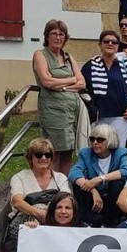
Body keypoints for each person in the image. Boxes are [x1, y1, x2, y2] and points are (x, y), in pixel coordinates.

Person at [32, 19, 85, 175]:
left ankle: (64, 188)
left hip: (71, 114)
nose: (58, 37)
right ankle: (51, 189)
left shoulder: (68, 56)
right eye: (54, 33)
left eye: (61, 34)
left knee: (68, 152)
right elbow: (47, 81)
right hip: (53, 113)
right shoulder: (40, 55)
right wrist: (71, 80)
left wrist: (60, 85)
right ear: (47, 36)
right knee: (53, 153)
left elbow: (82, 83)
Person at [82, 31, 127, 148]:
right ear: (100, 44)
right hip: (98, 116)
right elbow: (81, 86)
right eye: (106, 41)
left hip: (122, 116)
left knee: (118, 148)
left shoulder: (126, 65)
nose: (110, 44)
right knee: (98, 149)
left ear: (118, 45)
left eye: (114, 42)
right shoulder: (91, 65)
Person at [68, 124, 127, 228]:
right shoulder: (86, 153)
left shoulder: (120, 153)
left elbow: (126, 171)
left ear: (110, 140)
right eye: (92, 139)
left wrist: (100, 179)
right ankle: (86, 221)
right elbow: (73, 172)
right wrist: (93, 189)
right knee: (78, 184)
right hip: (92, 198)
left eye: (100, 140)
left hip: (112, 198)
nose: (95, 143)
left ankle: (111, 222)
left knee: (118, 182)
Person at [10, 137, 71, 222]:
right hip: (26, 223)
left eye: (47, 155)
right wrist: (38, 213)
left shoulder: (61, 178)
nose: (43, 158)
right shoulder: (19, 177)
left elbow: (67, 202)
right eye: (39, 155)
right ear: (30, 158)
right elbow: (17, 202)